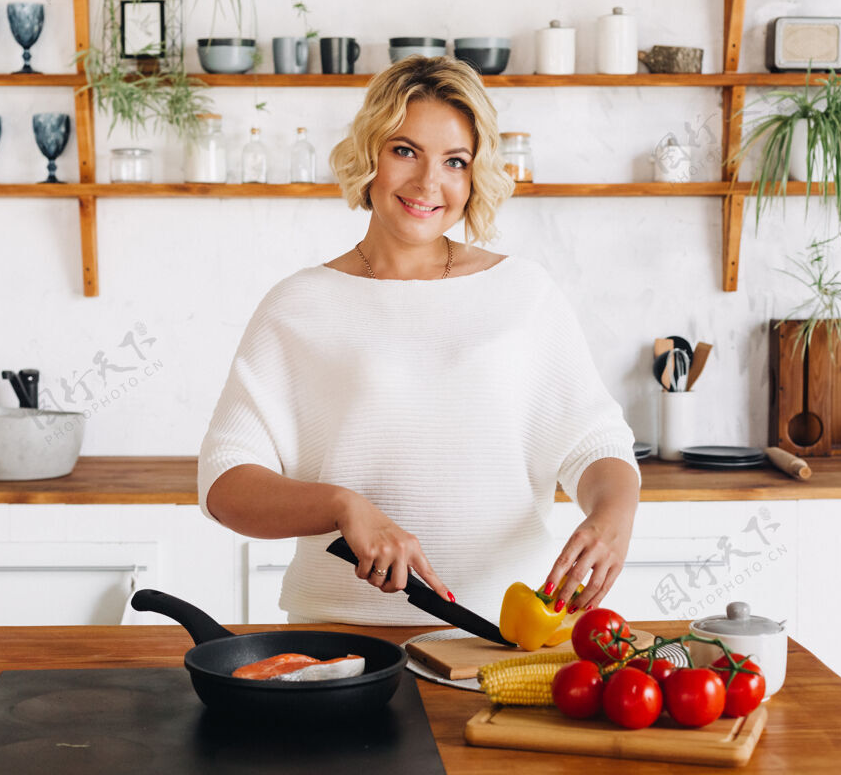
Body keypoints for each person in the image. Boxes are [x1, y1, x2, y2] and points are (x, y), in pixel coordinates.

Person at [199, 56, 640, 625]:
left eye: (454, 161)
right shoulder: (298, 303)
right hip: (339, 635)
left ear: (474, 175)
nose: (428, 183)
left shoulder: (523, 292)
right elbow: (225, 480)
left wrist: (612, 519)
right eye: (405, 150)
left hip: (503, 636)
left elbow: (594, 444)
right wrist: (342, 506)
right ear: (370, 156)